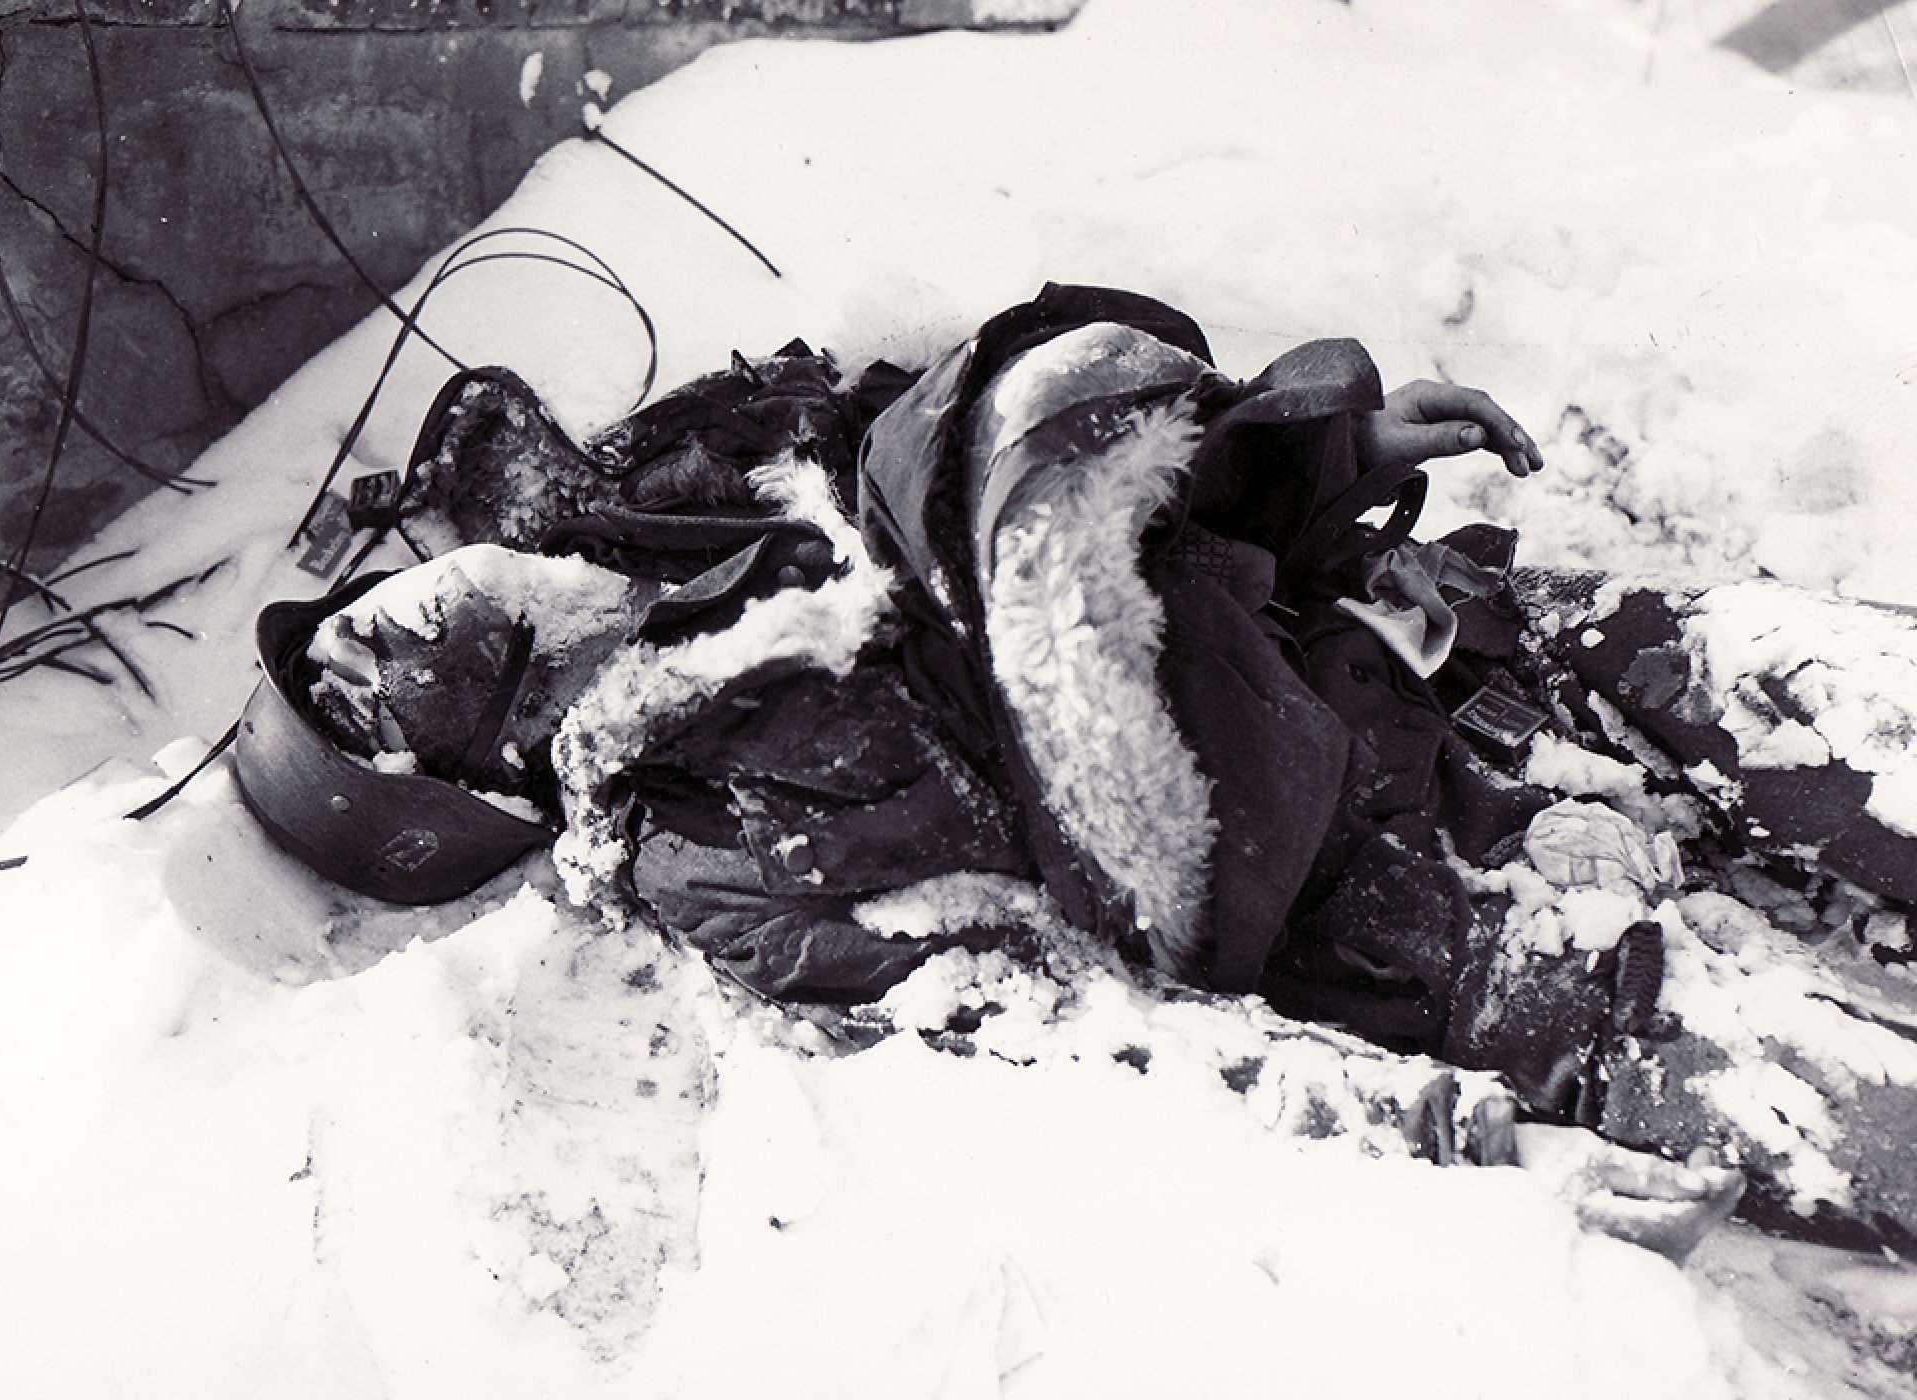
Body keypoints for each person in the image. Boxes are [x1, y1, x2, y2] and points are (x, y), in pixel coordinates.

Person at [237, 284, 1917, 1257]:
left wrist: (1325, 448)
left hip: (1453, 639)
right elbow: (1069, 1025)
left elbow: (1093, 469)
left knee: (1834, 698)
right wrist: (1458, 1140)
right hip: (1425, 911)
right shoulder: (720, 855)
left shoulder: (716, 484)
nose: (380, 635)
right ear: (472, 767)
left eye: (353, 626)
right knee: (1836, 1097)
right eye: (365, 699)